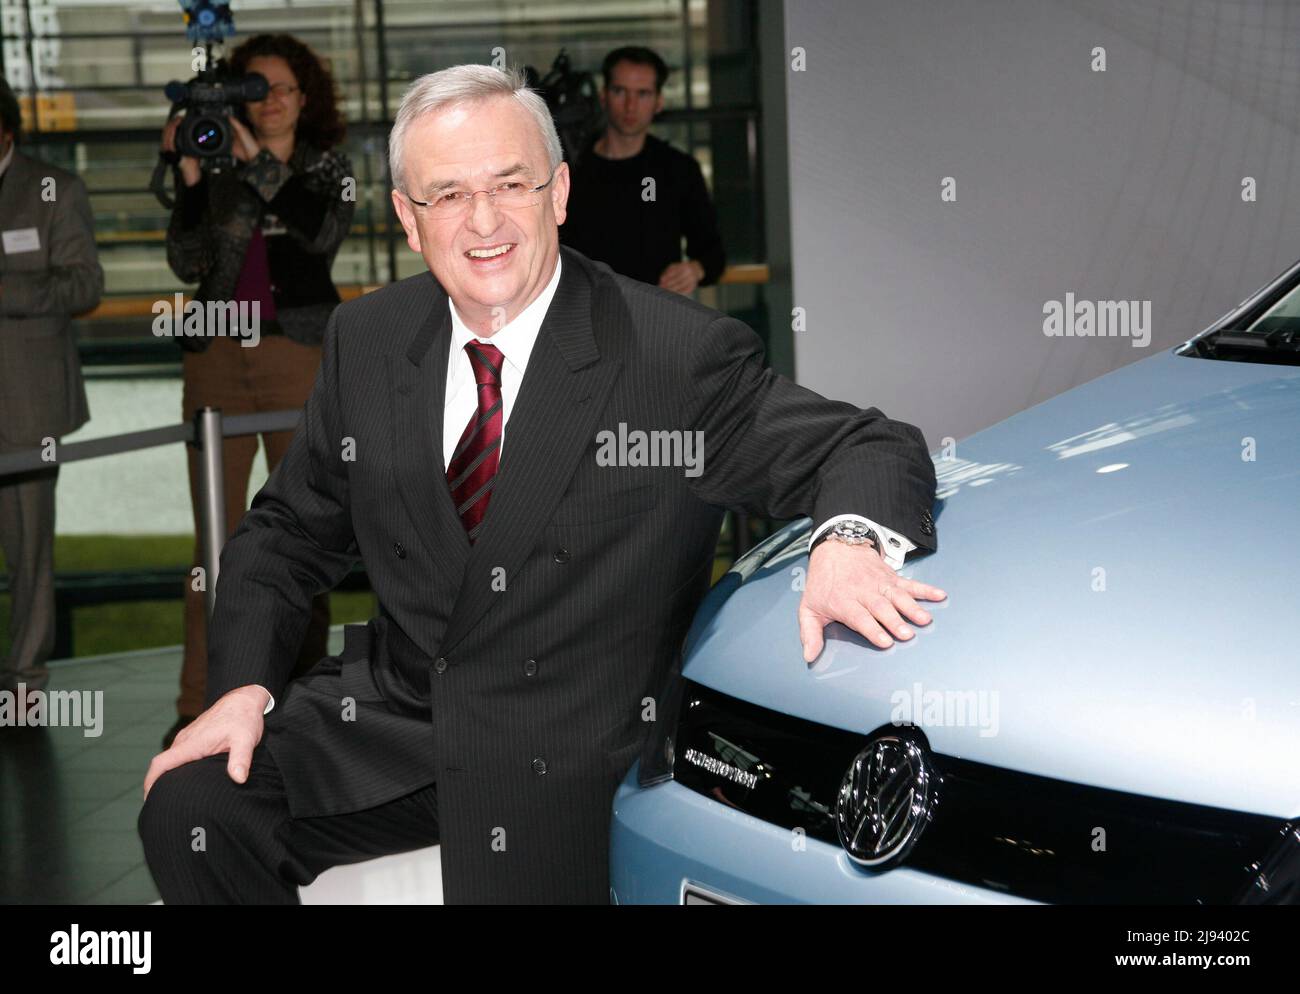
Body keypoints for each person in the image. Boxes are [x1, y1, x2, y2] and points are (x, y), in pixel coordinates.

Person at [138, 64, 945, 905]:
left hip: (572, 747)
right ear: (409, 219)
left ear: (558, 192)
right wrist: (241, 690)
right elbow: (286, 532)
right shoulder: (368, 339)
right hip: (401, 720)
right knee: (194, 808)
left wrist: (849, 541)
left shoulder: (671, 356)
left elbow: (867, 444)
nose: (483, 221)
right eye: (449, 195)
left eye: (509, 184)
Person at [159, 34, 355, 749]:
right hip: (216, 353)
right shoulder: (213, 158)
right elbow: (186, 260)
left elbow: (323, 231)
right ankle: (197, 703)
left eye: (281, 88)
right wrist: (190, 176)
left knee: (304, 529)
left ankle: (296, 695)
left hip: (295, 352)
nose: (268, 101)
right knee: (212, 542)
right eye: (254, 87)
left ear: (306, 98)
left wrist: (255, 163)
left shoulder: (324, 165)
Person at [0, 75, 103, 696]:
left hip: (27, 404)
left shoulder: (53, 188)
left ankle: (23, 685)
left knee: (30, 554)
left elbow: (84, 285)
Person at [560, 46, 725, 295]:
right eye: (620, 91)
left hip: (653, 312)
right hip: (582, 309)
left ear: (659, 102)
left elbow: (713, 254)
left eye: (643, 94)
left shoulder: (678, 170)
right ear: (604, 96)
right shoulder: (571, 170)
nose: (630, 105)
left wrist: (694, 270)